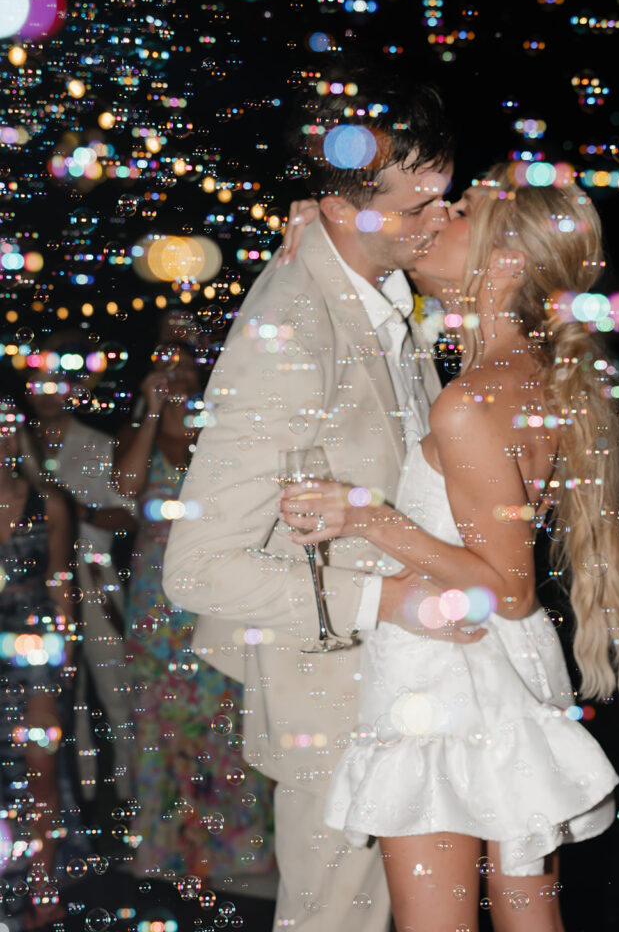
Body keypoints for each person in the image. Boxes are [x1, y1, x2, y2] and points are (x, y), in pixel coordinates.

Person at [279, 164, 619, 932]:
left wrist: (363, 516)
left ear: (504, 258)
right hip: (500, 669)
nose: (434, 217)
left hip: (443, 684)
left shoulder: (470, 400)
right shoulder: (524, 375)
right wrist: (333, 232)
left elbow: (505, 587)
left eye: (457, 213)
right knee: (526, 911)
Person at [162, 65, 454, 930]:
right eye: (417, 205)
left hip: (403, 681)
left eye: (447, 195)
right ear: (339, 207)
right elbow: (199, 568)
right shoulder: (294, 329)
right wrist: (387, 599)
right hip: (332, 696)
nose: (439, 219)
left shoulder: (380, 284)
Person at [113, 343, 276, 891]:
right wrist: (152, 411)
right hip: (157, 606)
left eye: (185, 364)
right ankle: (166, 847)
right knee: (161, 723)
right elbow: (124, 489)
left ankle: (236, 847)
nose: (176, 373)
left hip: (220, 593)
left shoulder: (223, 433)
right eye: (164, 365)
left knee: (226, 717)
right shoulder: (140, 434)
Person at [23, 336, 136, 803]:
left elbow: (128, 513)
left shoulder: (99, 444)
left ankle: (134, 799)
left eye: (56, 383)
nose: (48, 392)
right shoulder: (14, 444)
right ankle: (81, 805)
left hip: (94, 580)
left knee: (115, 691)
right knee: (57, 699)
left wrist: (71, 515)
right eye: (38, 382)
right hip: (38, 588)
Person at [0, 400, 78, 928]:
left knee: (41, 773)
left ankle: (43, 885)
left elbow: (59, 584)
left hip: (34, 654)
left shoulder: (47, 502)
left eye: (8, 430)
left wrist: (64, 658)